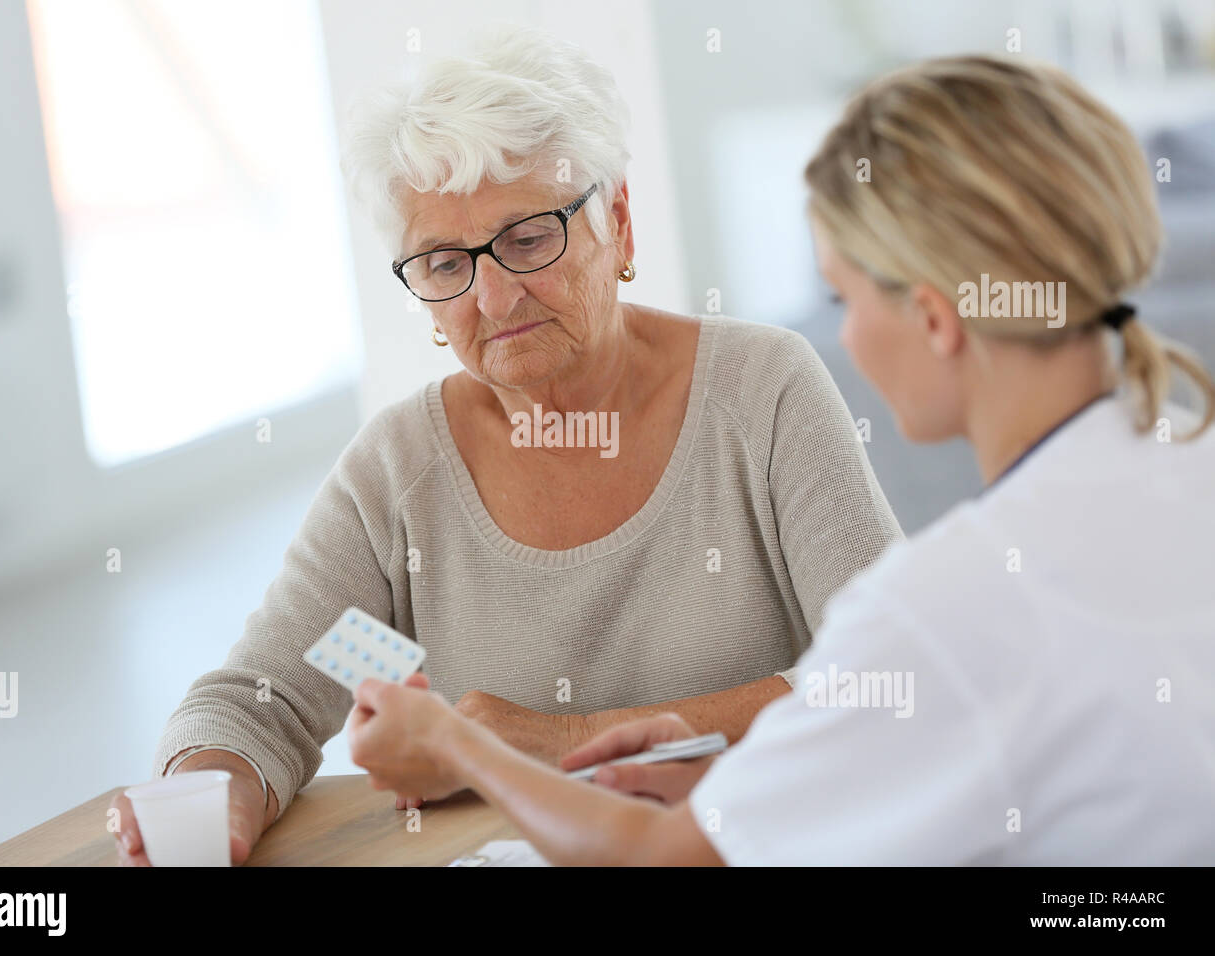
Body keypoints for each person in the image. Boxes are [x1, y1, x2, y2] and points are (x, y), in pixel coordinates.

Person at [347, 54, 1215, 865]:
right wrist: (757, 778)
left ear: (936, 319)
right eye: (447, 263)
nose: (841, 332)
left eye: (844, 295)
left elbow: (659, 857)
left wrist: (461, 745)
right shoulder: (1186, 467)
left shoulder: (939, 600)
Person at [112, 26, 900, 865]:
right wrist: (217, 796)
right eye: (446, 263)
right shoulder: (400, 472)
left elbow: (889, 672)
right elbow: (258, 703)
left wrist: (553, 739)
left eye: (527, 240)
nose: (493, 297)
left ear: (619, 223)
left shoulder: (761, 391)